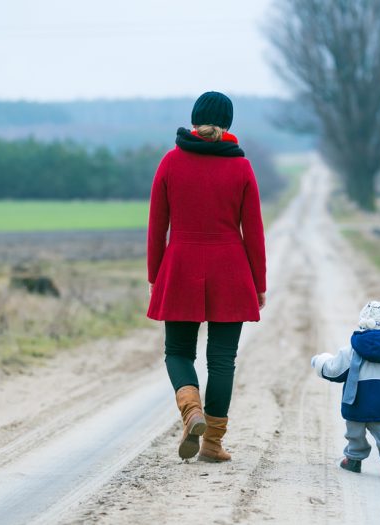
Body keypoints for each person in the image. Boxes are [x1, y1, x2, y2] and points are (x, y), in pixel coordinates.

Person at [147, 91, 267, 462]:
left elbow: (157, 226)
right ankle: (213, 444)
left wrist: (156, 274)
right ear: (228, 123)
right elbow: (255, 233)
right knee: (222, 360)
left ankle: (190, 410)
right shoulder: (242, 168)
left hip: (181, 265)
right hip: (230, 270)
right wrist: (258, 285)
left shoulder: (170, 162)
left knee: (178, 352)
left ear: (194, 119)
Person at [311, 301, 380, 479]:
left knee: (355, 433)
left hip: (357, 401)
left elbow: (334, 370)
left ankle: (353, 460)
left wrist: (319, 361)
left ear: (362, 323)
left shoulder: (353, 350)